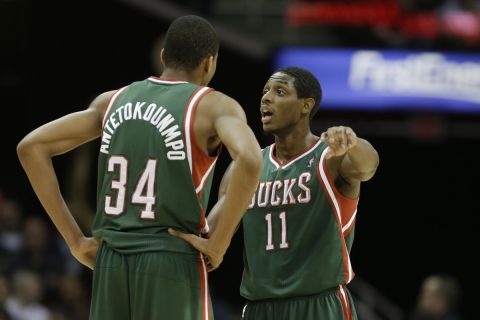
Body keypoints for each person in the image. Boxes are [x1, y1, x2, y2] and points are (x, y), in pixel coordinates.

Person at [16, 14, 262, 320]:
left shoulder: (112, 101)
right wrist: (220, 242)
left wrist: (75, 241)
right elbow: (251, 160)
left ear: (163, 57)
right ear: (209, 63)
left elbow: (31, 147)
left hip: (110, 260)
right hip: (170, 257)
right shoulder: (214, 106)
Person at [172, 66, 380, 319]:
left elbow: (367, 166)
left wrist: (354, 143)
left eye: (280, 91)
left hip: (319, 304)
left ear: (306, 106)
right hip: (261, 306)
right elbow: (213, 234)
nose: (266, 98)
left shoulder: (330, 157)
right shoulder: (245, 166)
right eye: (265, 92)